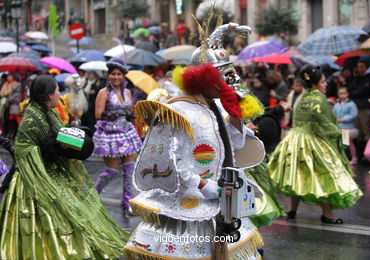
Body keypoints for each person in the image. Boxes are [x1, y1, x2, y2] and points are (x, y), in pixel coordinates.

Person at [124, 21, 265, 260]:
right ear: (201, 79)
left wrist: (237, 114)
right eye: (219, 79)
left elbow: (235, 145)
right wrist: (205, 186)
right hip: (188, 205)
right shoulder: (178, 111)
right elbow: (172, 161)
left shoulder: (215, 108)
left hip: (220, 203)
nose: (224, 85)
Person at [0, 75, 128, 259]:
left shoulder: (50, 112)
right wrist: (51, 146)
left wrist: (70, 142)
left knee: (73, 207)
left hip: (52, 170)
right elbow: (23, 152)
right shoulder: (30, 119)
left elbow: (59, 138)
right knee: (51, 213)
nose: (60, 95)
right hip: (33, 178)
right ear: (49, 96)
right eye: (57, 91)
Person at [268, 65, 362, 224]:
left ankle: (292, 211)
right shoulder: (319, 98)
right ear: (315, 84)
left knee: (296, 175)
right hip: (311, 141)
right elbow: (325, 124)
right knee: (322, 175)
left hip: (294, 140)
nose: (326, 85)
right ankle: (327, 214)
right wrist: (341, 135)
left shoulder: (302, 97)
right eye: (323, 82)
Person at [93, 61, 143, 214]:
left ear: (123, 76)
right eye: (113, 74)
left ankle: (127, 201)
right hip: (109, 134)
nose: (116, 77)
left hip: (126, 132)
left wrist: (133, 114)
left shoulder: (127, 92)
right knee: (111, 171)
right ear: (108, 75)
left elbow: (130, 110)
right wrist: (114, 114)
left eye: (119, 74)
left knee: (129, 169)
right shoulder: (104, 93)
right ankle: (93, 195)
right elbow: (97, 114)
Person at [333, 86, 359, 165]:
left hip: (348, 127)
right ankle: (345, 158)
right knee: (343, 144)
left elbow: (354, 114)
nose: (342, 95)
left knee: (348, 143)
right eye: (340, 93)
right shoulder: (337, 104)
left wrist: (343, 119)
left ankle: (354, 158)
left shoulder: (351, 104)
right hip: (339, 127)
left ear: (347, 94)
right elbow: (333, 113)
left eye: (344, 93)